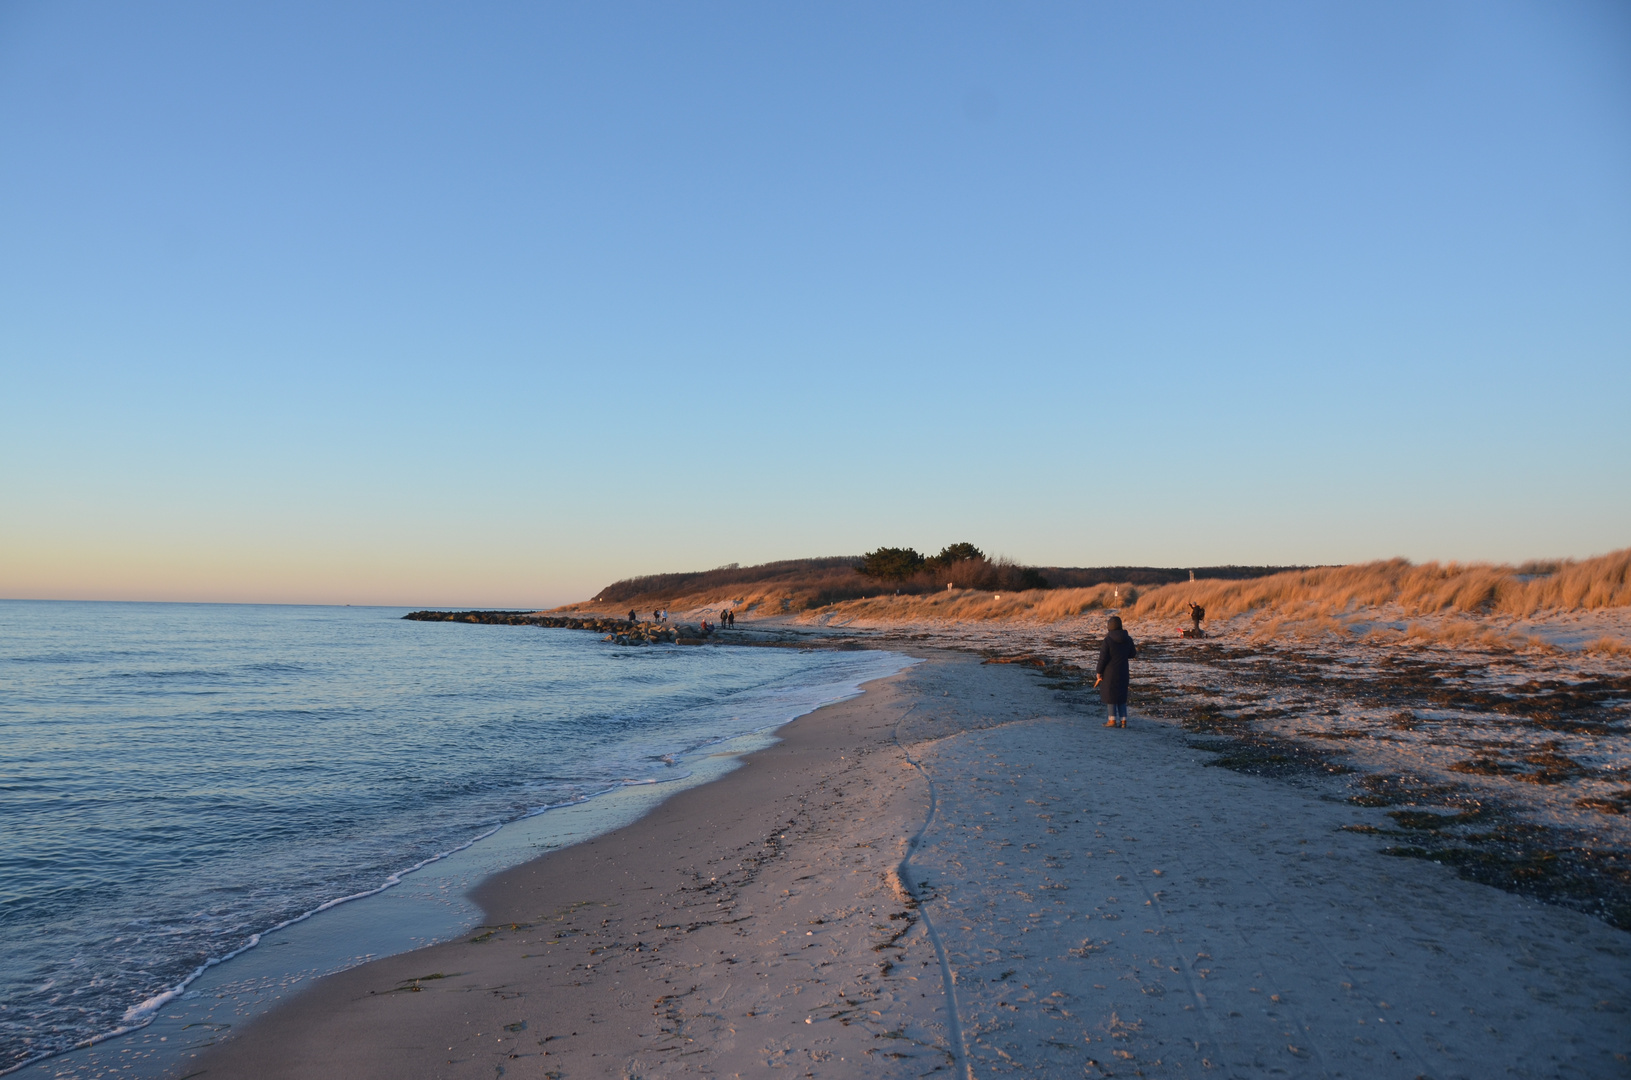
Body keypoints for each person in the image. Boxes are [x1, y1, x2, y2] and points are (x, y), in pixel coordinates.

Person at [1094, 614, 1138, 728]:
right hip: (1123, 670)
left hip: (1110, 672)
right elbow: (1132, 654)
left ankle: (1112, 720)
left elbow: (1103, 658)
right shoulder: (1127, 638)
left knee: (1111, 696)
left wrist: (1099, 671)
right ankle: (1123, 721)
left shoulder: (1108, 640)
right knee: (1121, 696)